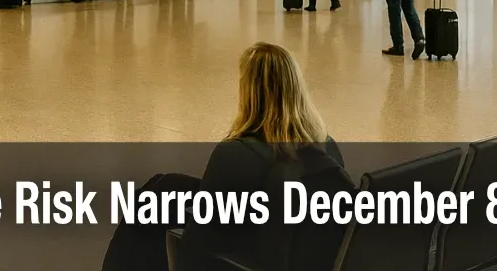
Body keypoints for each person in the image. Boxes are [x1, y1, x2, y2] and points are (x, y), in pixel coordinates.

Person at [101, 42, 350, 271]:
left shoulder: (233, 153)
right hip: (285, 238)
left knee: (149, 208)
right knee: (163, 186)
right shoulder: (328, 147)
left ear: (250, 94)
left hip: (251, 251)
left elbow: (198, 240)